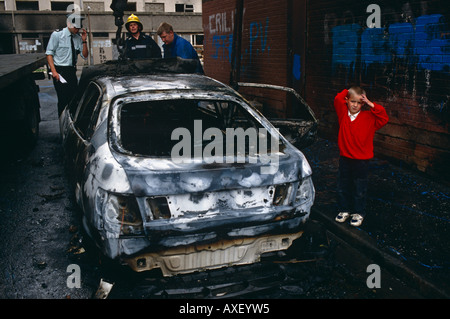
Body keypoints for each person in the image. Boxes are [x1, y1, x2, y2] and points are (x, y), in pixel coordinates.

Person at [333, 86, 389, 227]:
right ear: (347, 101)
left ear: (363, 104)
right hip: (345, 158)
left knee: (359, 188)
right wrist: (348, 91)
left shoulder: (369, 117)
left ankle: (358, 212)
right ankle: (344, 209)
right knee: (343, 185)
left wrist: (371, 104)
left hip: (362, 161)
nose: (355, 105)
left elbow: (384, 117)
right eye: (352, 101)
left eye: (359, 103)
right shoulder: (343, 114)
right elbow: (337, 98)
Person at [46, 13, 88, 116]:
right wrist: (54, 72)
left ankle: (71, 122)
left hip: (71, 71)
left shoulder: (78, 37)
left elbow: (84, 55)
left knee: (74, 99)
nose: (77, 30)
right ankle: (62, 123)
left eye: (78, 28)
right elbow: (49, 54)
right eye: (75, 27)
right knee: (63, 99)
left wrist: (84, 41)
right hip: (59, 72)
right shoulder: (57, 35)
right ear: (69, 23)